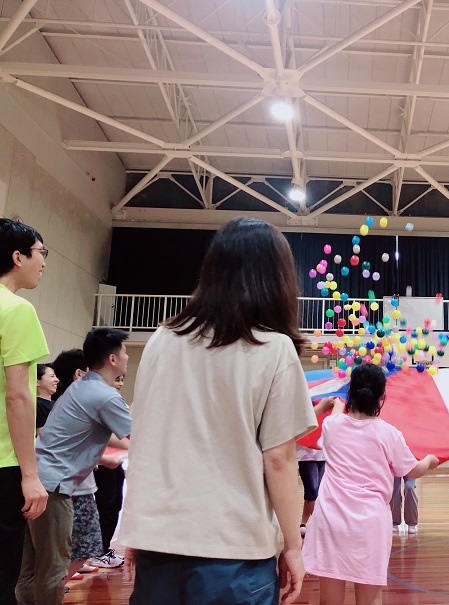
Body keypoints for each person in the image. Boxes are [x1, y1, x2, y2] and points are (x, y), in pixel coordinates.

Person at [119, 218, 318, 605]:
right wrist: (293, 546)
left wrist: (137, 526)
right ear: (277, 278)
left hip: (158, 539)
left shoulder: (161, 340)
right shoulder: (274, 349)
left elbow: (142, 437)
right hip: (234, 551)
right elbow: (278, 459)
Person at [302, 364, 439, 605]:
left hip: (331, 521)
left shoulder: (332, 426)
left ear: (350, 393)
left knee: (329, 601)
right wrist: (429, 460)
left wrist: (326, 406)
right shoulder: (389, 434)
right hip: (369, 525)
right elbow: (412, 470)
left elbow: (312, 424)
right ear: (382, 397)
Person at [15, 328, 131, 604]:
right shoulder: (105, 395)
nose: (127, 357)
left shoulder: (82, 386)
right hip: (53, 486)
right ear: (113, 359)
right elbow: (141, 436)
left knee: (31, 569)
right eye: (125, 352)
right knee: (54, 567)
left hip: (38, 478)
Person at [0, 218, 49, 605]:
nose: (43, 262)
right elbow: (18, 397)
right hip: (2, 466)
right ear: (17, 257)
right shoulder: (16, 309)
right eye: (40, 253)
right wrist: (30, 475)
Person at [90, 373, 128, 569]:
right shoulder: (97, 403)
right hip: (101, 463)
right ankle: (97, 551)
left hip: (116, 462)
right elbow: (106, 435)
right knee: (103, 506)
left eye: (122, 380)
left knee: (114, 506)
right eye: (116, 379)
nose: (120, 383)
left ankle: (104, 549)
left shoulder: (117, 403)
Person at [298, 396, 337, 538]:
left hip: (322, 453)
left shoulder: (326, 407)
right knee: (312, 491)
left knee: (316, 492)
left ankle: (303, 523)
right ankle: (319, 525)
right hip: (305, 454)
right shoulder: (307, 406)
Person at [35, 364, 58, 435]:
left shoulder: (55, 403)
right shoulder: (38, 404)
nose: (57, 380)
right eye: (52, 376)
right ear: (37, 382)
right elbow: (41, 433)